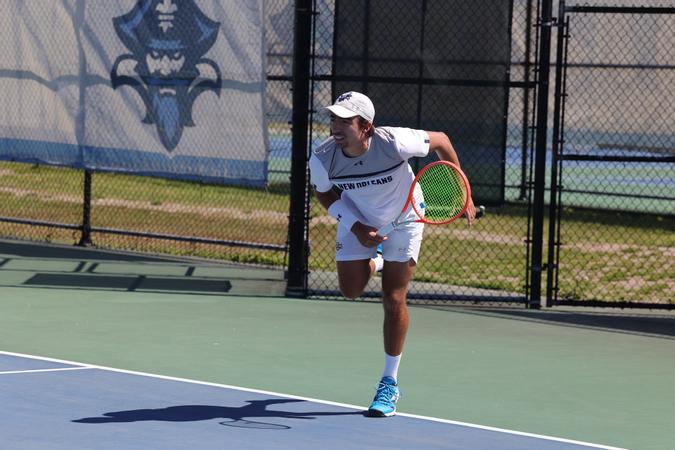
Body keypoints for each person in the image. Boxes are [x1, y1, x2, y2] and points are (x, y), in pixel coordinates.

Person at [309, 91, 476, 417]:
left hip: (406, 216)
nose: (336, 127)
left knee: (393, 297)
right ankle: (379, 258)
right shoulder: (322, 157)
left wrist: (462, 190)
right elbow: (324, 193)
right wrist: (356, 226)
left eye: (345, 121)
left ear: (366, 127)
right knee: (350, 290)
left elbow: (441, 140)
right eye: (333, 119)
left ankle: (388, 383)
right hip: (358, 217)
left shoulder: (395, 142)